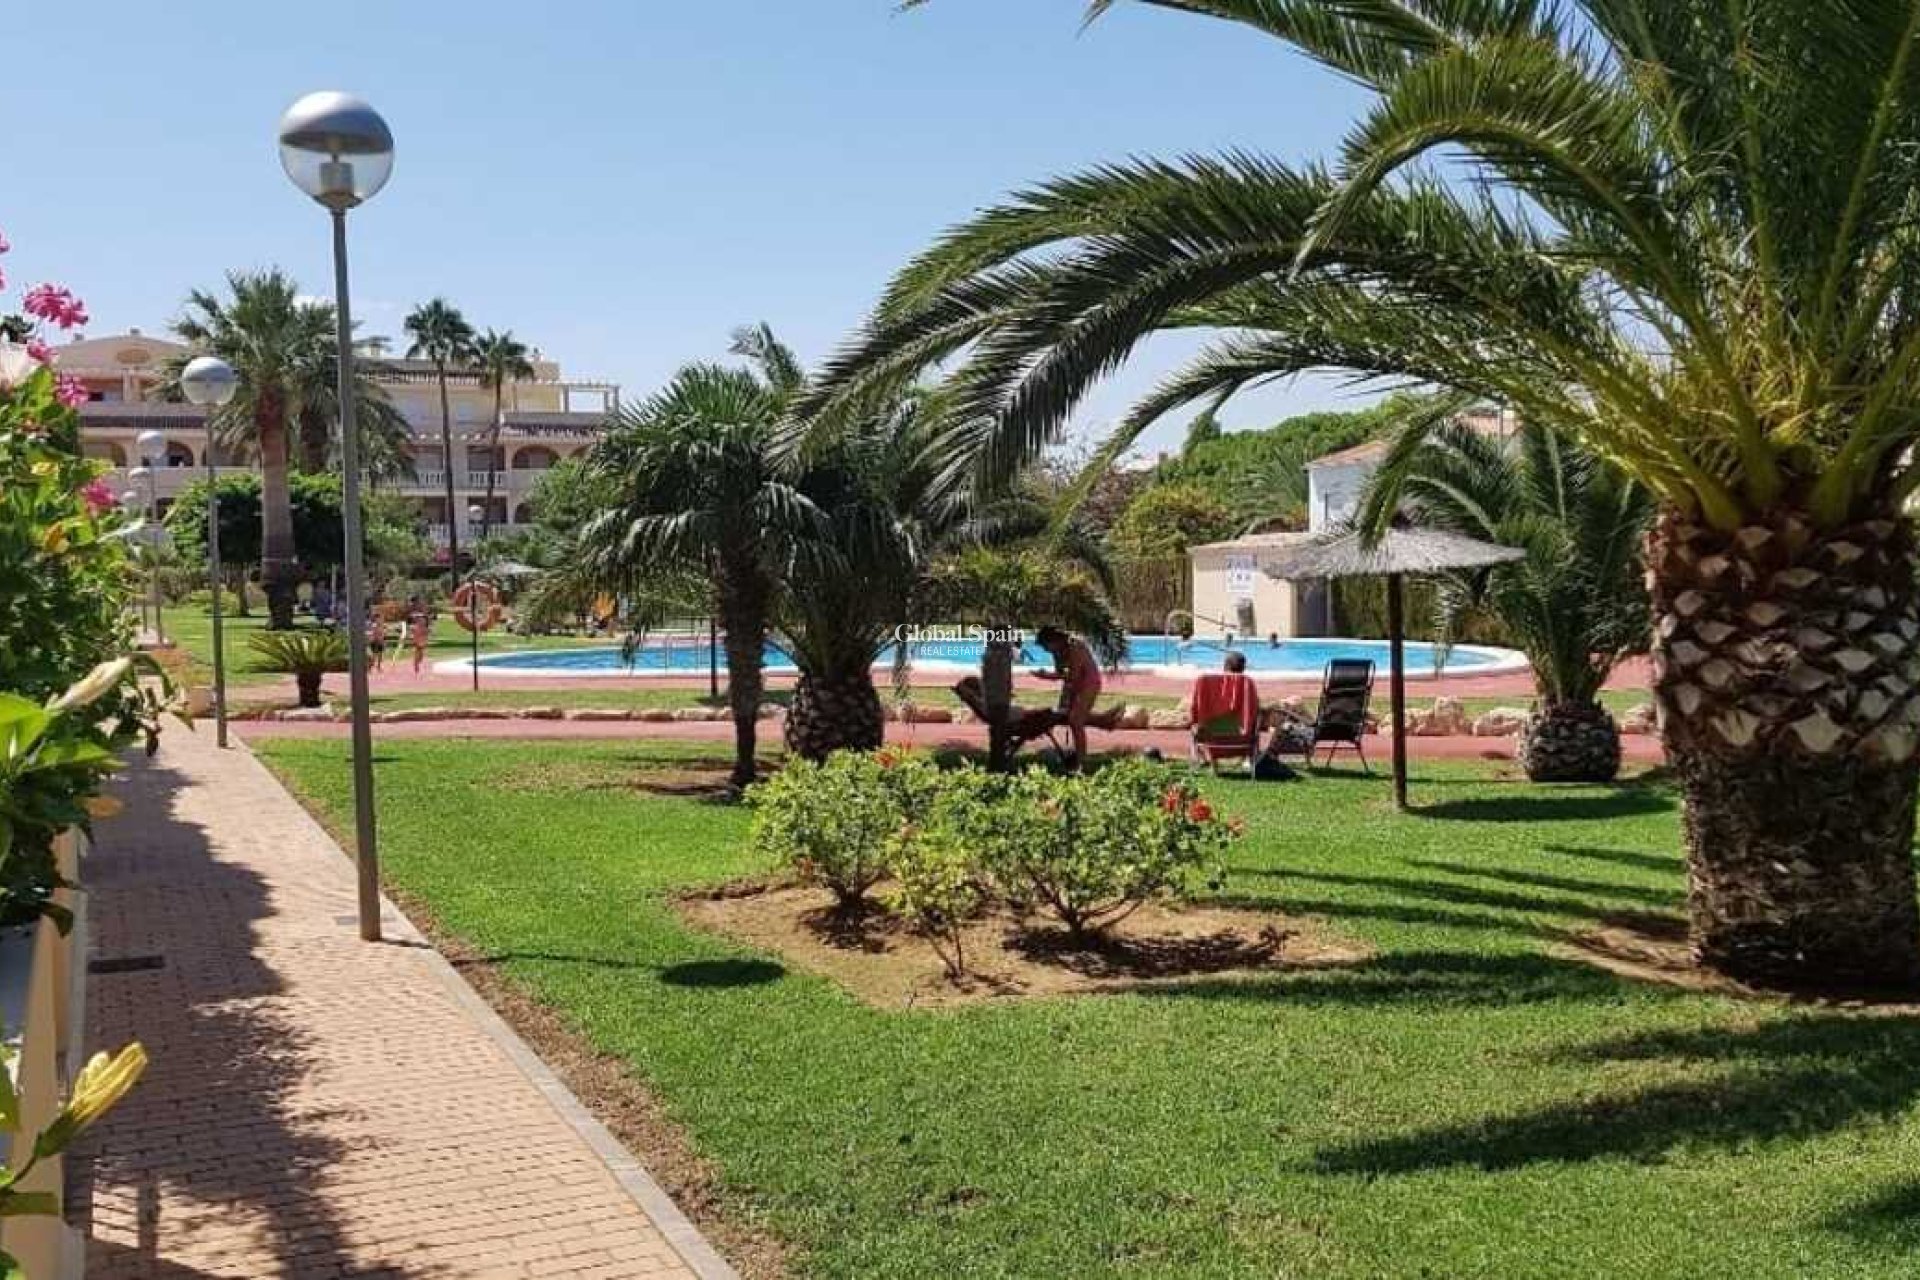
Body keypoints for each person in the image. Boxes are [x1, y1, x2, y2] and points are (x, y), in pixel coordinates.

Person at [1031, 626, 1120, 769]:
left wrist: (1049, 677)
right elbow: (1062, 674)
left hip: (1089, 682)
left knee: (1076, 720)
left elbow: (1074, 675)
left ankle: (1081, 760)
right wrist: (1050, 678)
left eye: (1046, 646)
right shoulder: (1056, 652)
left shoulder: (1074, 646)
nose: (1046, 650)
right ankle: (1104, 721)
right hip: (1073, 683)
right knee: (1064, 715)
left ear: (1054, 640)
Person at [407, 598, 432, 674]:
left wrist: (428, 629)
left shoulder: (422, 612)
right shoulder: (413, 611)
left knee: (421, 653)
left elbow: (427, 621)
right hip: (417, 635)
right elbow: (410, 620)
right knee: (418, 649)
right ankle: (416, 665)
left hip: (423, 634)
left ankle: (417, 663)